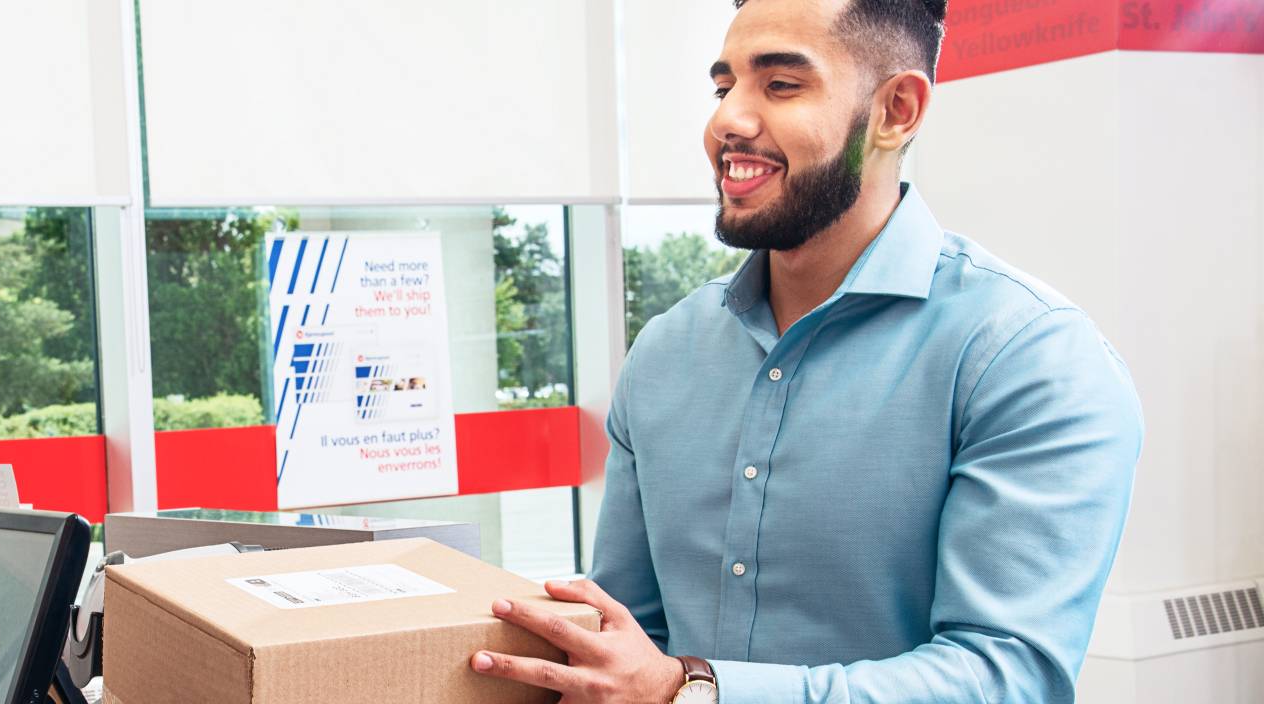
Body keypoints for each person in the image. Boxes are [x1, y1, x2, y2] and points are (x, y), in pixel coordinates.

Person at [468, 1, 1141, 702]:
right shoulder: (668, 351)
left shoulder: (1028, 358)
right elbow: (625, 635)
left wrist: (693, 692)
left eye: (781, 85)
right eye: (724, 86)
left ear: (897, 111)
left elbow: (1008, 678)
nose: (728, 120)